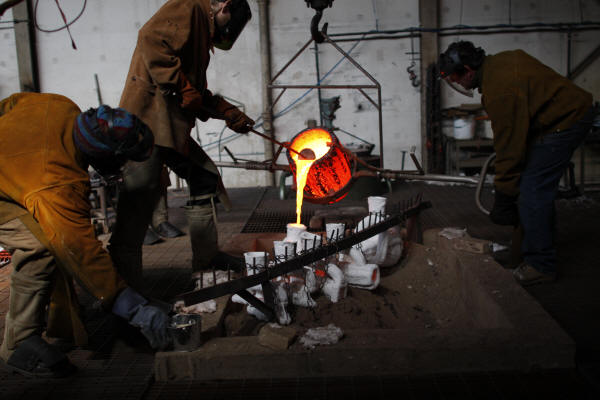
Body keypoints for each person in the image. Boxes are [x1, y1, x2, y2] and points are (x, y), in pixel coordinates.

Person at [0, 92, 170, 378]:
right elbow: (80, 250)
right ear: (104, 154)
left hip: (15, 172)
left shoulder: (58, 105)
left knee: (53, 237)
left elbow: (10, 104)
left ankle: (61, 319)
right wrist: (133, 309)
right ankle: (18, 343)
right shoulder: (55, 182)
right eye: (122, 160)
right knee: (39, 248)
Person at [109, 0, 254, 289]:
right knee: (139, 199)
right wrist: (182, 85)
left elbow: (194, 92)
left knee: (204, 176)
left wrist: (226, 110)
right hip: (146, 124)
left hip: (168, 126)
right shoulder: (190, 7)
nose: (222, 34)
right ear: (224, 6)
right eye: (227, 25)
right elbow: (149, 38)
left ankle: (206, 257)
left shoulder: (201, 27)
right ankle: (123, 287)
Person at [438, 41, 595, 285]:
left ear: (468, 70)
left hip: (566, 121)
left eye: (456, 77)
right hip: (552, 119)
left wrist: (504, 194)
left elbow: (509, 147)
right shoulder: (499, 63)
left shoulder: (500, 88)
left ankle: (541, 265)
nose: (456, 82)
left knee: (533, 190)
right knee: (532, 186)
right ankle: (528, 247)